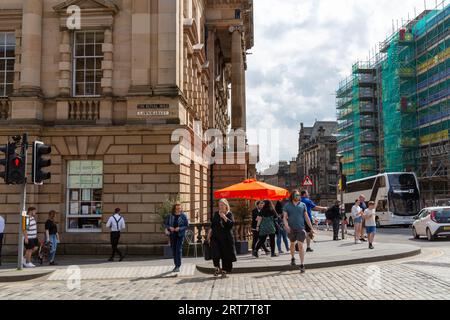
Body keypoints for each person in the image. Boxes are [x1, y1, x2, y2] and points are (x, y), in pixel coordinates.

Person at [283, 189, 315, 273]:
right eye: (297, 195)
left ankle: (302, 264)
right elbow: (284, 217)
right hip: (291, 229)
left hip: (301, 229)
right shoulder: (287, 205)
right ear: (293, 196)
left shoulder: (303, 205)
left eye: (299, 195)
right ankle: (293, 258)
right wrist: (286, 226)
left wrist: (311, 228)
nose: (298, 196)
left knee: (301, 246)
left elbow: (306, 217)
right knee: (292, 244)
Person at [207, 199, 236, 277]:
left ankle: (224, 270)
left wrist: (224, 217)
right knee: (215, 253)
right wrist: (209, 234)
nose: (220, 206)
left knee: (225, 255)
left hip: (226, 238)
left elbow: (231, 225)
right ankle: (217, 267)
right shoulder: (216, 214)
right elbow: (213, 225)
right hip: (215, 237)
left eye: (222, 205)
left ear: (226, 206)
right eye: (219, 205)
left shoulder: (229, 214)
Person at [164, 203, 189, 273]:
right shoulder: (170, 216)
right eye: (177, 208)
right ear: (174, 209)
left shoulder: (183, 216)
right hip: (172, 235)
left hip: (180, 235)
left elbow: (186, 225)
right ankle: (176, 265)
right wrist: (170, 227)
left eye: (180, 208)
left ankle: (178, 265)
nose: (178, 210)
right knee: (174, 250)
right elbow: (166, 224)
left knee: (178, 250)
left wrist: (180, 228)